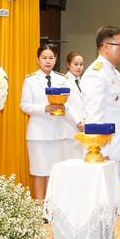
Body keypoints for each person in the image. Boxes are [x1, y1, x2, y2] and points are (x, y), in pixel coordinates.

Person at [20, 45, 71, 201]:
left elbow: (69, 102)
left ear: (55, 59)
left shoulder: (62, 79)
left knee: (52, 171)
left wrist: (64, 107)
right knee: (38, 171)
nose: (47, 61)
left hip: (57, 132)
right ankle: (39, 206)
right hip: (38, 133)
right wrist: (45, 108)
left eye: (51, 58)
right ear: (38, 60)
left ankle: (50, 205)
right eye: (44, 58)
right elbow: (25, 105)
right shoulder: (30, 80)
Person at [80, 25, 120, 181]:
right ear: (106, 47)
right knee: (103, 194)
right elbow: (94, 116)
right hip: (106, 152)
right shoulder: (96, 74)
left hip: (118, 147)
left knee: (115, 193)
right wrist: (102, 152)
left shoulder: (114, 73)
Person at [62, 51, 86, 160]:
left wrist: (85, 121)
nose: (79, 67)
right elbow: (64, 104)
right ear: (68, 64)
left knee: (82, 161)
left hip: (84, 127)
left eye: (81, 64)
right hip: (70, 127)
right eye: (75, 64)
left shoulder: (83, 81)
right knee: (71, 161)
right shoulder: (63, 81)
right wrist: (78, 121)